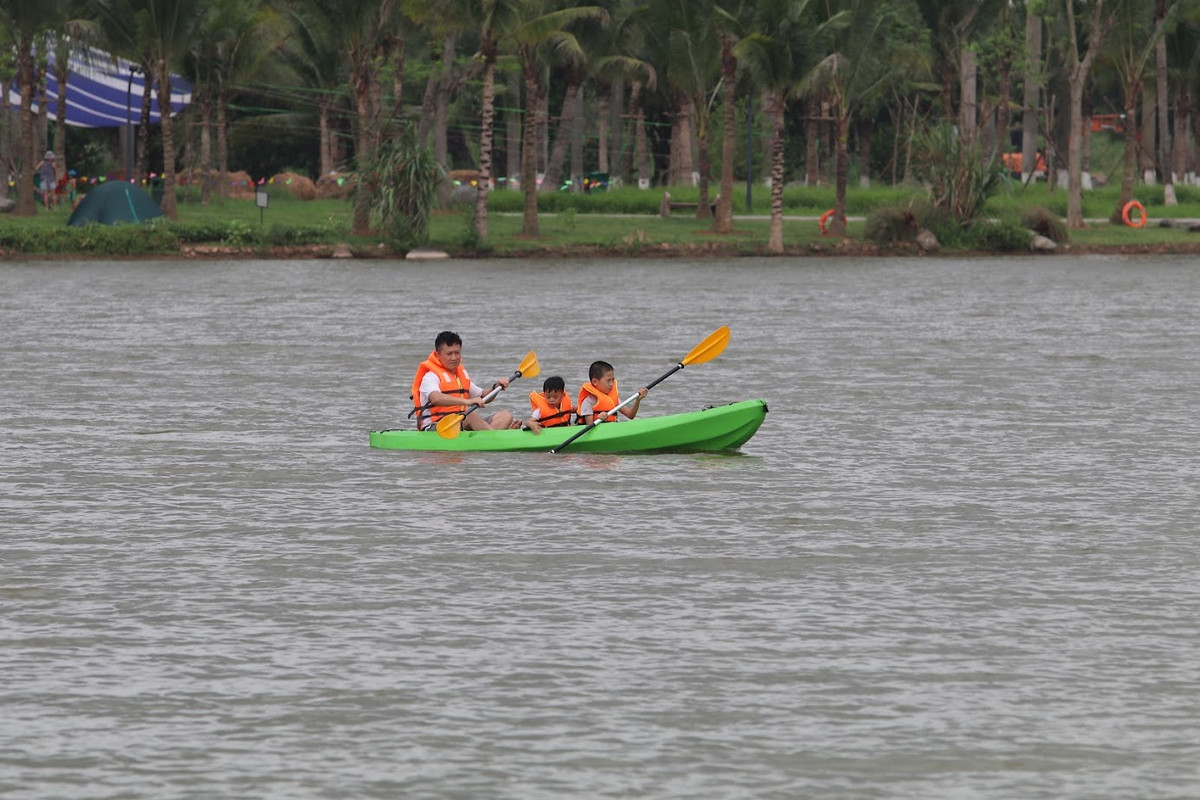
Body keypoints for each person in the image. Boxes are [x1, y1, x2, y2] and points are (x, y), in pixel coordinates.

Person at [411, 331, 518, 431]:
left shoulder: (459, 376)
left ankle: (493, 437)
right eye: (449, 354)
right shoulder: (430, 376)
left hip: (459, 423)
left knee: (506, 416)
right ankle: (499, 438)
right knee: (470, 416)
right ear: (438, 355)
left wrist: (496, 388)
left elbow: (482, 397)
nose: (454, 358)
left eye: (457, 353)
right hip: (435, 428)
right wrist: (467, 402)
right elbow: (435, 398)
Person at [576, 360, 648, 426]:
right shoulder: (588, 402)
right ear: (595, 382)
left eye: (612, 380)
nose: (611, 384)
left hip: (609, 430)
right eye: (608, 381)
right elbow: (589, 427)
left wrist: (638, 400)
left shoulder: (613, 399)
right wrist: (599, 419)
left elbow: (630, 415)